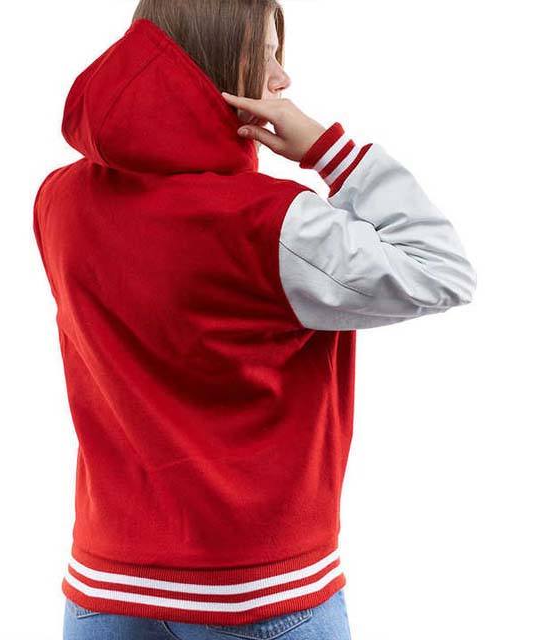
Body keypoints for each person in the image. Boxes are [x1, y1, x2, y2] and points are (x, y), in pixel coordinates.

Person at [33, 1, 477, 638]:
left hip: (104, 587)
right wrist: (329, 150)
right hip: (255, 590)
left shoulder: (58, 199)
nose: (282, 79)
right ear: (216, 64)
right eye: (266, 55)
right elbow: (443, 270)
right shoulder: (273, 224)